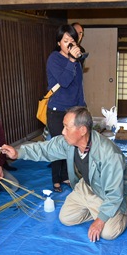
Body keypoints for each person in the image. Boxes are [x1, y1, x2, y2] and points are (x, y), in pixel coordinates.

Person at [1, 107, 127, 242]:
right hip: (88, 185)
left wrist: (100, 220)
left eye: (67, 127)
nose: (62, 131)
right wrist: (18, 153)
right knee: (66, 218)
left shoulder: (108, 154)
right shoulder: (69, 142)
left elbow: (114, 193)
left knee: (108, 233)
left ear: (82, 130)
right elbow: (45, 149)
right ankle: (95, 208)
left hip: (108, 193)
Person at [45, 24, 86, 192]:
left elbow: (78, 85)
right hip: (57, 110)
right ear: (59, 43)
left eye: (72, 40)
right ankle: (56, 179)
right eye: (66, 40)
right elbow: (64, 81)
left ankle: (66, 176)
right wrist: (71, 60)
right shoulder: (54, 59)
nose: (70, 44)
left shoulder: (76, 60)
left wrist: (82, 107)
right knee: (58, 145)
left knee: (71, 145)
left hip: (72, 110)